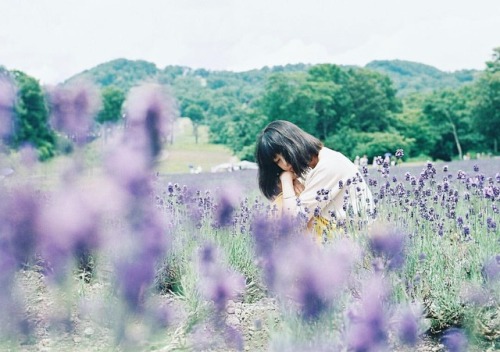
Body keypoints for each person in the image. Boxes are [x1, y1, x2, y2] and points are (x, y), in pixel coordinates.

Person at [255, 120, 374, 241]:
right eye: (278, 161)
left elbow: (292, 222)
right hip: (336, 235)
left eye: (285, 154)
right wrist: (292, 181)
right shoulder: (311, 164)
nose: (285, 163)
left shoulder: (328, 165)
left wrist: (286, 179)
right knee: (281, 203)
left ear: (295, 142)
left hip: (354, 239)